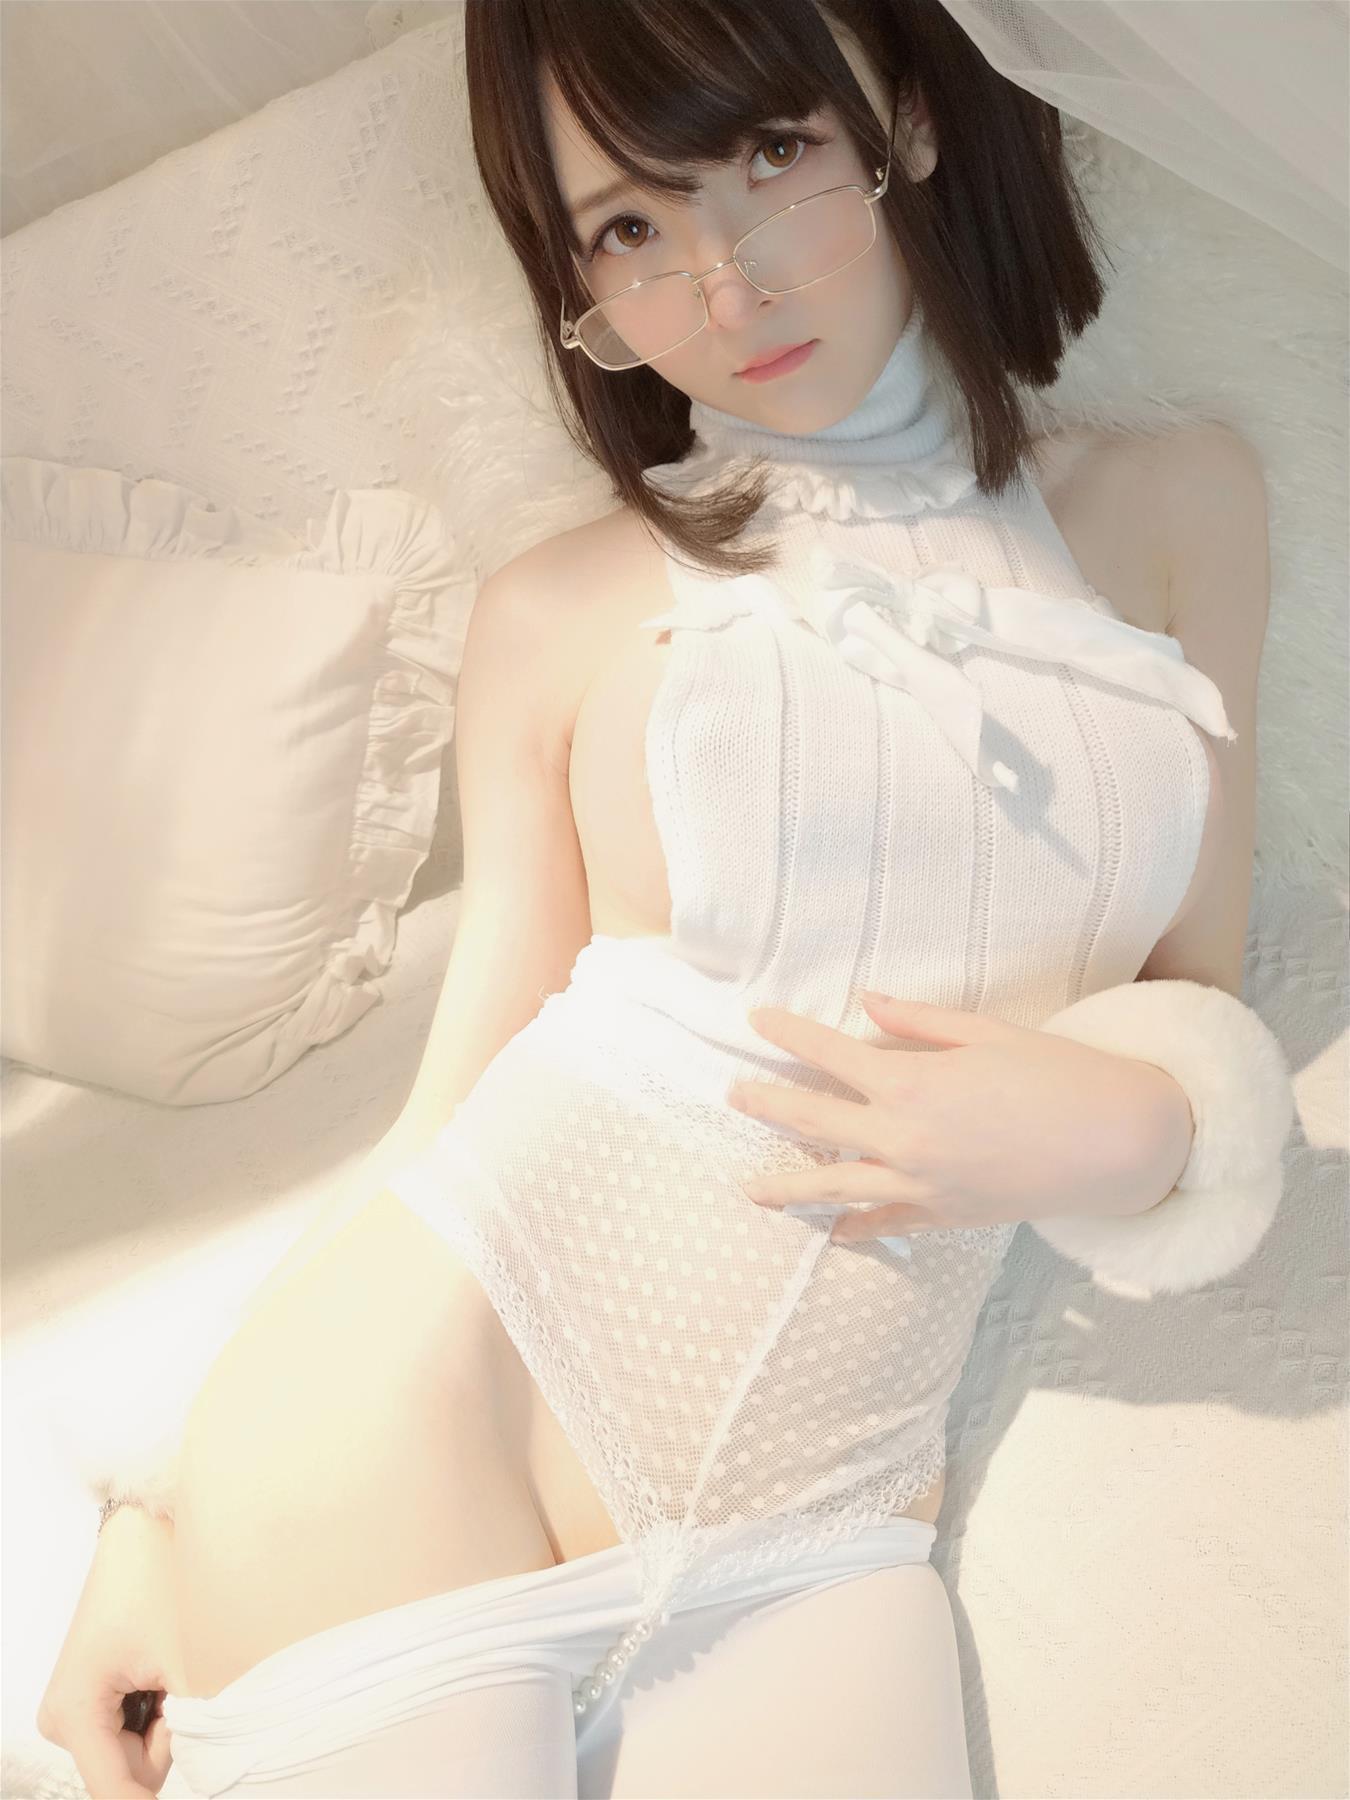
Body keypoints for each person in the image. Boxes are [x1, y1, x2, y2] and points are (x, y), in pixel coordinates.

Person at [39, 1, 1294, 1795]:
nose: (723, 283)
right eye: (627, 225)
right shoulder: (554, 611)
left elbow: (1196, 987)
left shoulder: (1178, 505)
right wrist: (156, 1512)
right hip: (421, 1408)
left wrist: (1135, 1125)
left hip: (824, 1507)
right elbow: (448, 1105)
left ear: (905, 121)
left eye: (772, 155)